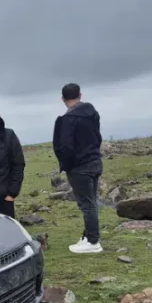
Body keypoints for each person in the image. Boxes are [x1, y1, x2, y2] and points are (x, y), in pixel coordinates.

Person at [52, 83, 104, 254]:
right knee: (92, 201)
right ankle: (88, 236)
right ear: (80, 95)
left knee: (86, 204)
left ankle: (92, 241)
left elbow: (65, 146)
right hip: (95, 161)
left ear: (63, 99)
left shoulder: (69, 119)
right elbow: (97, 137)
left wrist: (66, 164)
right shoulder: (92, 114)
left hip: (79, 167)